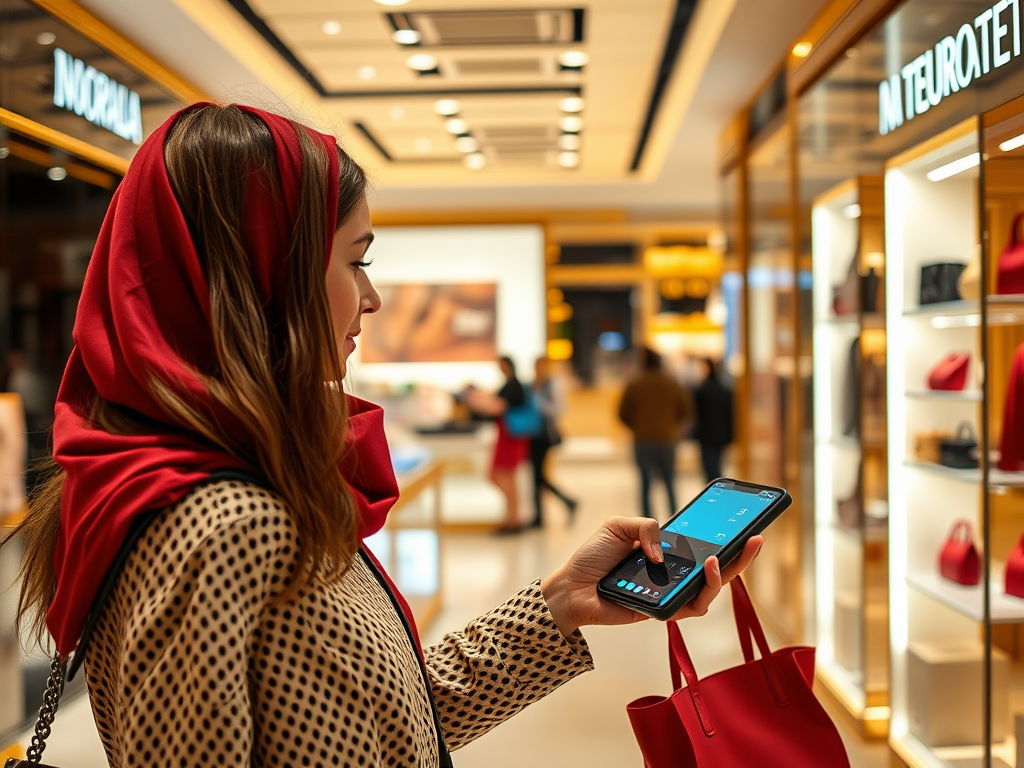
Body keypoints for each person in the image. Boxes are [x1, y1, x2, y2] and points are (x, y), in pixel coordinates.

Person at [5, 104, 762, 768]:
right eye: (355, 261)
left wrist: (561, 600)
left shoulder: (231, 487)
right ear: (265, 277)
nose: (369, 297)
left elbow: (384, 724)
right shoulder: (224, 526)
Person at [618, 347, 694, 519]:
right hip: (667, 440)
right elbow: (686, 410)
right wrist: (672, 426)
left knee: (645, 483)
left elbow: (622, 413)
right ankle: (674, 519)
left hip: (642, 440)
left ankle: (646, 522)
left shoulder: (634, 384)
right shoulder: (672, 383)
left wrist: (636, 426)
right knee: (669, 480)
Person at [464, 355, 531, 533]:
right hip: (509, 435)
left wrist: (475, 404)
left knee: (500, 476)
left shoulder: (512, 386)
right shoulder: (511, 385)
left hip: (510, 436)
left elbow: (498, 407)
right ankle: (512, 518)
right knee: (508, 478)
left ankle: (513, 518)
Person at [529, 356, 577, 527]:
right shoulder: (534, 384)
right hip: (531, 433)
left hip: (544, 435)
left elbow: (560, 409)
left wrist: (540, 405)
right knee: (535, 475)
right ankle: (539, 515)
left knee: (538, 475)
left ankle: (567, 502)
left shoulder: (552, 385)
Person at [692, 357, 734, 483]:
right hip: (721, 434)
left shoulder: (701, 390)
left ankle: (714, 494)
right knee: (716, 466)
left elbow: (696, 415)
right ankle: (717, 493)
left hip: (706, 435)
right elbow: (730, 415)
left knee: (710, 469)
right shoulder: (725, 390)